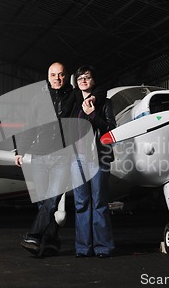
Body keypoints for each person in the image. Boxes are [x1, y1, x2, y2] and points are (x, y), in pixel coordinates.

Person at [15, 62, 103, 257]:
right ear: (48, 77)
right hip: (39, 156)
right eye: (53, 75)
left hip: (63, 157)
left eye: (61, 75)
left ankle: (34, 237)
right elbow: (29, 125)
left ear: (66, 77)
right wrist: (21, 150)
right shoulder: (38, 99)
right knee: (43, 203)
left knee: (52, 201)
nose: (57, 78)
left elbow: (97, 89)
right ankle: (53, 241)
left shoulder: (74, 95)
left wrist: (95, 96)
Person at [70, 65, 116, 258]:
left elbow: (111, 129)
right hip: (77, 159)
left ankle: (103, 247)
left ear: (93, 80)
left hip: (99, 157)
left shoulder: (105, 103)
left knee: (99, 203)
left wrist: (92, 115)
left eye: (87, 77)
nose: (83, 81)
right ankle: (83, 248)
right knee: (81, 204)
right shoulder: (72, 102)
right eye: (80, 78)